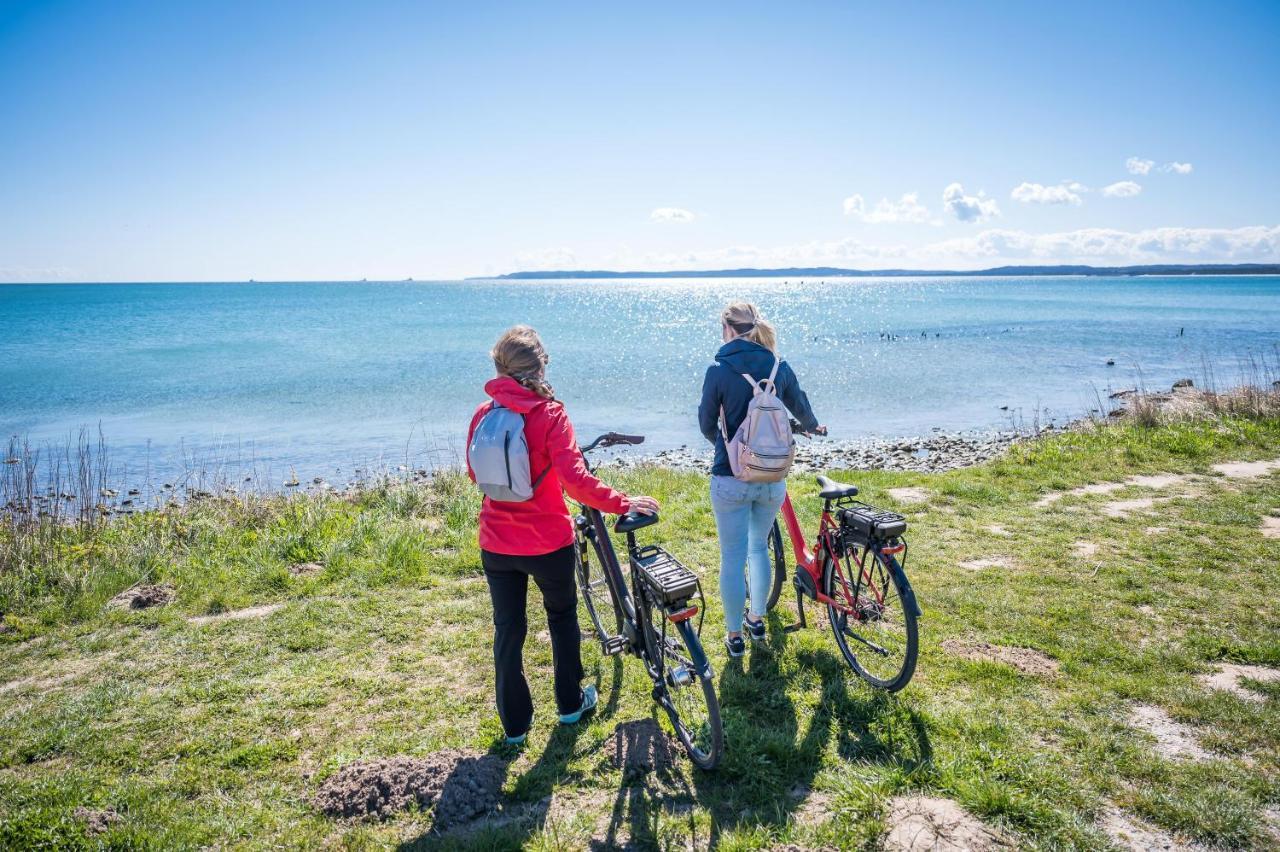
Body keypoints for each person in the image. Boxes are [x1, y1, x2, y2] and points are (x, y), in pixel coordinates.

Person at [466, 325, 659, 744]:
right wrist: (623, 502)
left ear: (500, 368)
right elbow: (576, 482)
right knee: (561, 619)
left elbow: (474, 473)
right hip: (547, 540)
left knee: (508, 629)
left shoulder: (484, 414)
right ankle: (570, 705)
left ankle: (515, 728)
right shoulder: (549, 413)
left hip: (496, 542)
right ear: (539, 367)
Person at [698, 302, 823, 657]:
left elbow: (707, 424)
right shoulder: (778, 365)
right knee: (758, 548)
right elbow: (799, 403)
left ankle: (734, 636)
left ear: (727, 328)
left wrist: (728, 449)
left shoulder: (718, 371)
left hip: (730, 478)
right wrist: (812, 425)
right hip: (772, 476)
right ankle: (757, 620)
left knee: (733, 556)